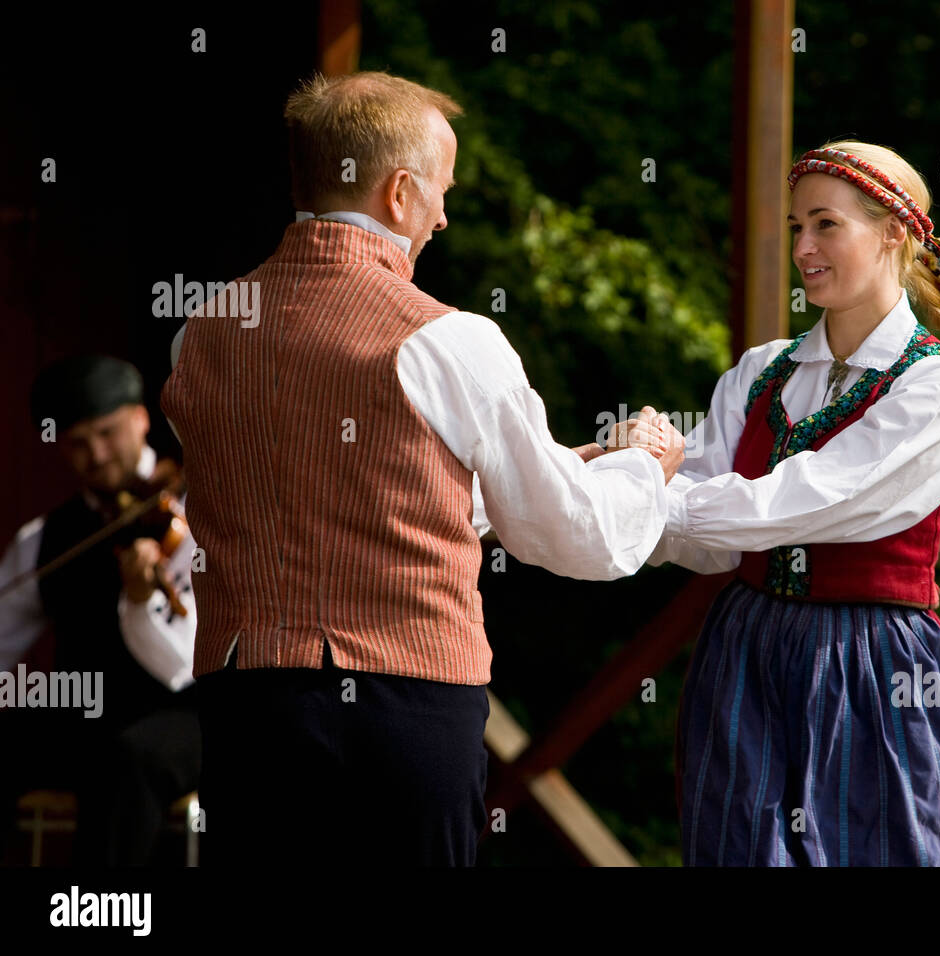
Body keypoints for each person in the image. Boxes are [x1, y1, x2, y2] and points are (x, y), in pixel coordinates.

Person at [159, 71, 684, 867]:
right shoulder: (449, 339)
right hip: (401, 702)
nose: (443, 215)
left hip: (248, 705)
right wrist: (645, 465)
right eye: (440, 190)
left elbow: (346, 492)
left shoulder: (202, 329)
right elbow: (574, 535)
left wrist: (563, 462)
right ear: (400, 192)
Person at [614, 141, 940, 866]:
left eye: (826, 225)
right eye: (797, 226)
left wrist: (643, 484)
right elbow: (707, 539)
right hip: (745, 653)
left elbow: (793, 503)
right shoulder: (763, 372)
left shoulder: (935, 390)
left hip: (872, 666)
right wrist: (622, 474)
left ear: (896, 232)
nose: (803, 247)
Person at [0, 355, 201, 865]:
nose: (97, 455)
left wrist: (140, 601)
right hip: (87, 715)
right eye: (78, 443)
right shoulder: (42, 540)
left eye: (108, 433)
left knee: (132, 758)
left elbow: (183, 667)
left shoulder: (193, 515)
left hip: (186, 716)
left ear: (141, 418)